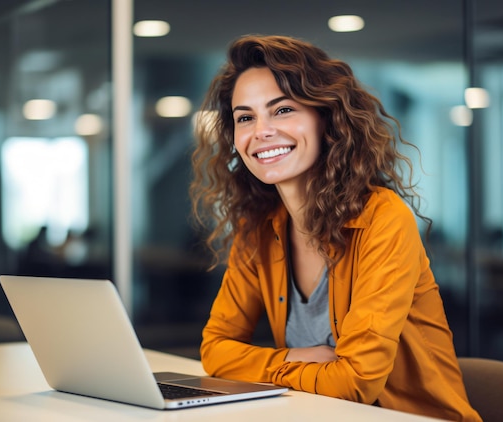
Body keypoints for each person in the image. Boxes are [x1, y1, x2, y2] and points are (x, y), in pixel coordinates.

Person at [190, 34, 481, 421]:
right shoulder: (258, 229)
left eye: (282, 110)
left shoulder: (383, 218)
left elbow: (355, 383)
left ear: (326, 117)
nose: (260, 131)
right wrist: (297, 358)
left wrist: (266, 366)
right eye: (246, 117)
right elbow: (215, 349)